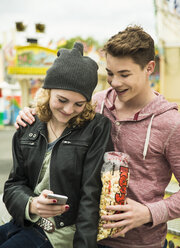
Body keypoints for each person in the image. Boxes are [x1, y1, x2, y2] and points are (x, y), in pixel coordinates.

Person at [14, 25, 180, 248]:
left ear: (149, 68)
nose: (115, 82)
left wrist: (150, 212)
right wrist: (31, 114)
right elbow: (58, 112)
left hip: (138, 243)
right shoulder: (95, 104)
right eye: (110, 73)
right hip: (81, 235)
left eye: (124, 74)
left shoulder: (170, 123)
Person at [0, 42, 112, 248]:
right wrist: (31, 204)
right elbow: (13, 185)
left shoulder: (96, 128)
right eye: (62, 100)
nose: (69, 110)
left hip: (61, 233)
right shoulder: (28, 124)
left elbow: (92, 193)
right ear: (48, 90)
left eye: (79, 104)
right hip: (24, 221)